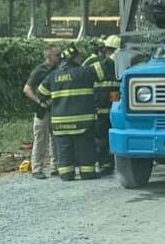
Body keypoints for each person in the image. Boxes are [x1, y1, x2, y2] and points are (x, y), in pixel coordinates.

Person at [37, 43, 110, 181]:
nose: (81, 59)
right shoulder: (84, 72)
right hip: (82, 122)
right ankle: (87, 172)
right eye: (79, 56)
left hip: (60, 124)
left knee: (64, 149)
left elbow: (40, 93)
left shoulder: (53, 75)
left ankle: (66, 174)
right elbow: (104, 70)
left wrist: (49, 103)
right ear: (74, 58)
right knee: (85, 147)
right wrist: (108, 55)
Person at [22, 45, 60, 179]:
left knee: (55, 139)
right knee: (40, 140)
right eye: (57, 55)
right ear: (49, 56)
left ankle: (55, 167)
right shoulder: (39, 71)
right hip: (42, 111)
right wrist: (39, 101)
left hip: (55, 110)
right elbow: (27, 89)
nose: (59, 57)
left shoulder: (58, 69)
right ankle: (37, 168)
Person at [91, 35, 121, 175]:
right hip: (116, 109)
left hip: (101, 109)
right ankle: (111, 163)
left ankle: (105, 164)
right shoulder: (123, 66)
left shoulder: (100, 65)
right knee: (110, 137)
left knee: (102, 138)